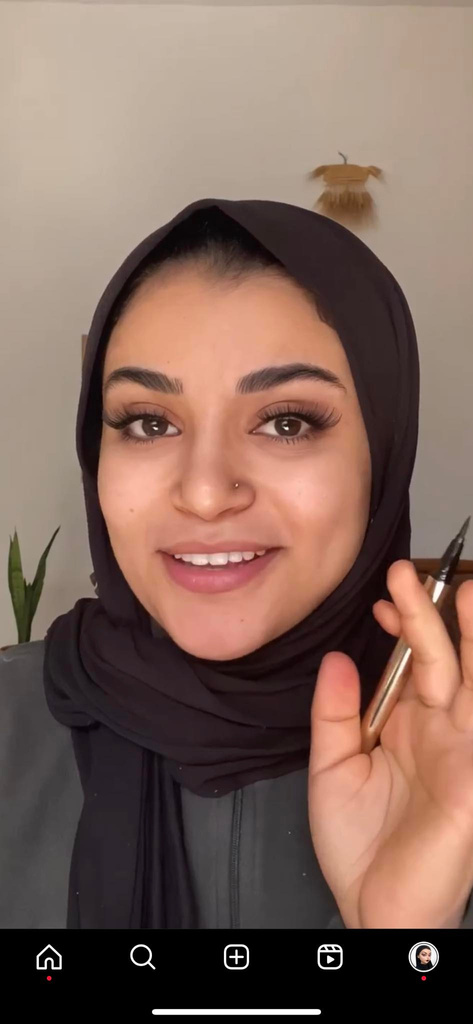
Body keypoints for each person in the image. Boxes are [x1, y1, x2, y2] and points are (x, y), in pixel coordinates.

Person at [1, 198, 473, 929]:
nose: (203, 492)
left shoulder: (456, 762)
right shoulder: (10, 726)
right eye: (148, 422)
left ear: (383, 456)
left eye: (286, 423)